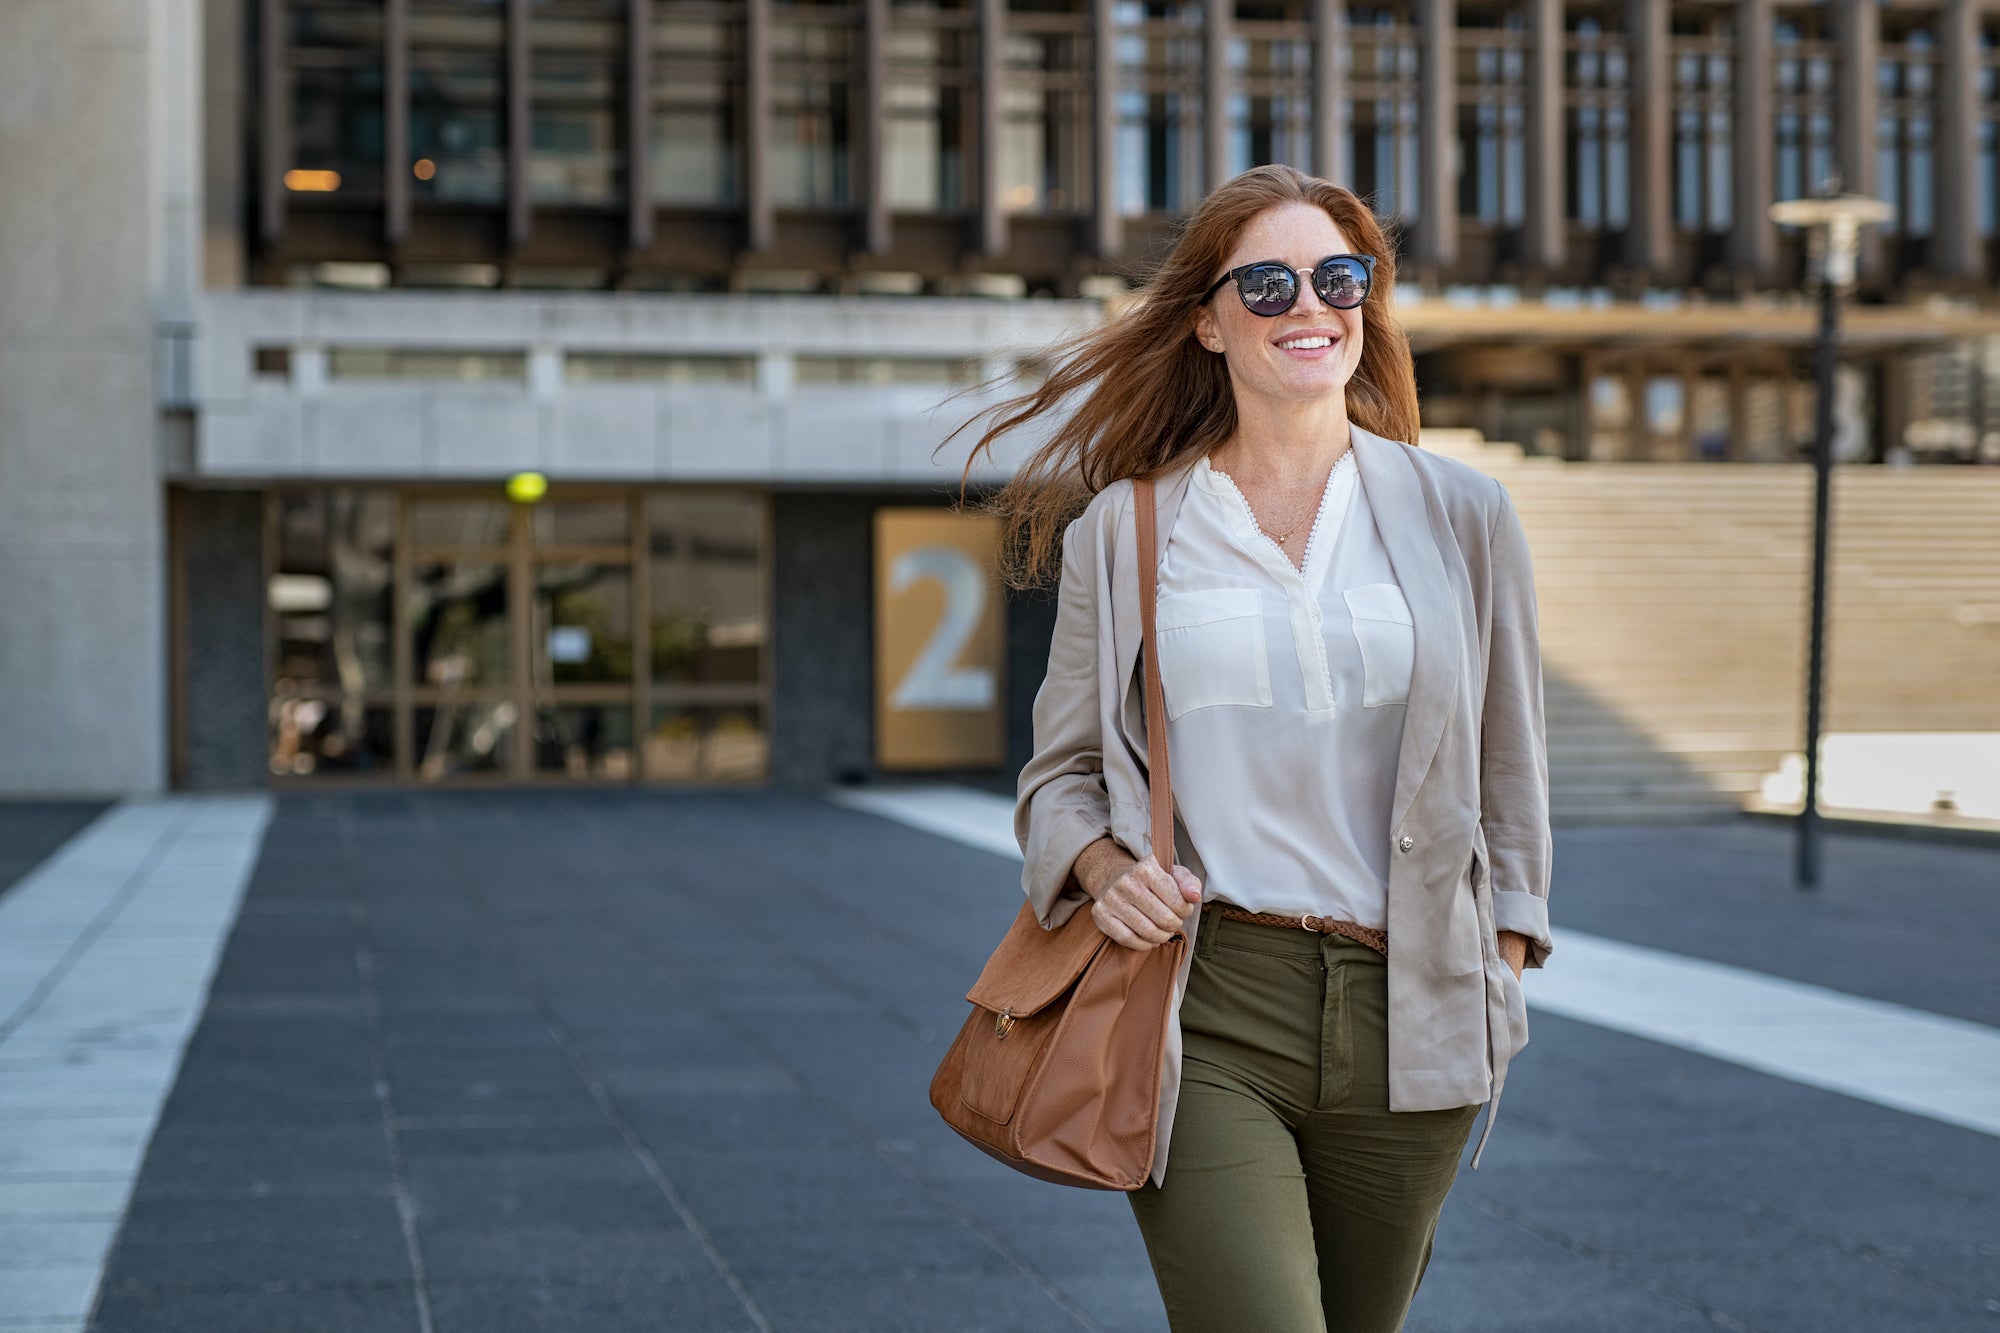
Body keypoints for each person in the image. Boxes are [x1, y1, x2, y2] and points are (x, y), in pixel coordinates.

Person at [963, 164, 1554, 1332]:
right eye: (1269, 282)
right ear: (1206, 319)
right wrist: (1098, 870)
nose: (1309, 306)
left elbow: (1510, 759)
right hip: (1207, 1000)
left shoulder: (1461, 512)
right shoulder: (1124, 530)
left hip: (1414, 1004)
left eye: (1339, 277)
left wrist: (1502, 949)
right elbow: (1059, 776)